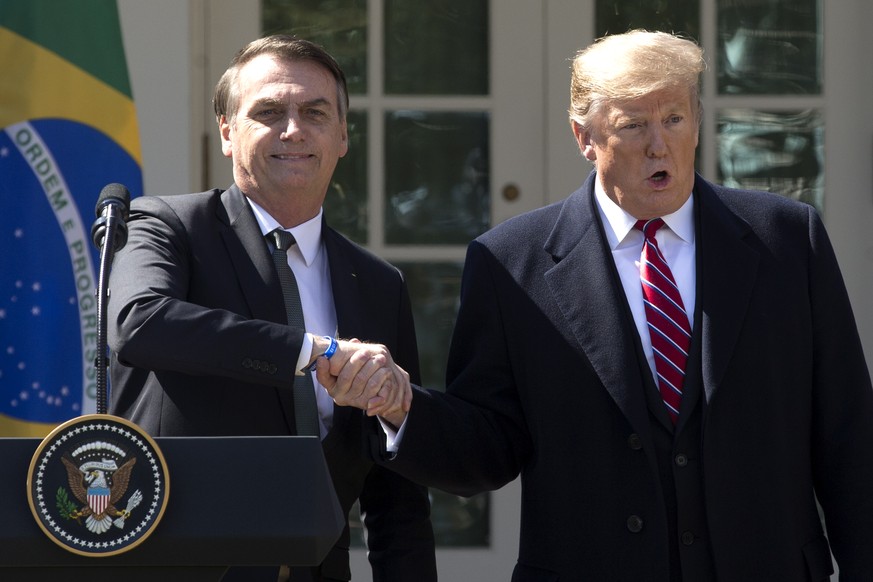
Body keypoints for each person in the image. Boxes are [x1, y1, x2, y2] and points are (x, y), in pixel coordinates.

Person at [320, 30, 873, 581]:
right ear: (583, 136)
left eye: (675, 119)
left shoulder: (786, 238)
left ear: (698, 120)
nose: (659, 145)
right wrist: (400, 407)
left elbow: (848, 432)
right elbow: (489, 446)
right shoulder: (510, 263)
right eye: (633, 125)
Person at [108, 35, 435, 582]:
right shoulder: (167, 225)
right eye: (268, 112)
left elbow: (395, 493)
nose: (293, 130)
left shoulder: (378, 284)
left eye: (314, 112)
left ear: (343, 135)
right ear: (228, 132)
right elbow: (138, 321)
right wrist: (312, 352)